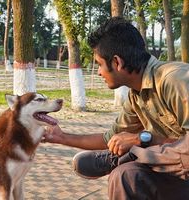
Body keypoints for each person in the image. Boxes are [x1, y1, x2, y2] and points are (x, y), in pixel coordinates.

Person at [42, 17, 189, 200]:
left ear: (117, 62)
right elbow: (110, 139)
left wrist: (143, 140)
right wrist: (61, 137)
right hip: (177, 173)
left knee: (128, 168)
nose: (98, 72)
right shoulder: (136, 95)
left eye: (100, 64)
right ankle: (127, 158)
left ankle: (131, 156)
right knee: (126, 175)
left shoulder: (176, 80)